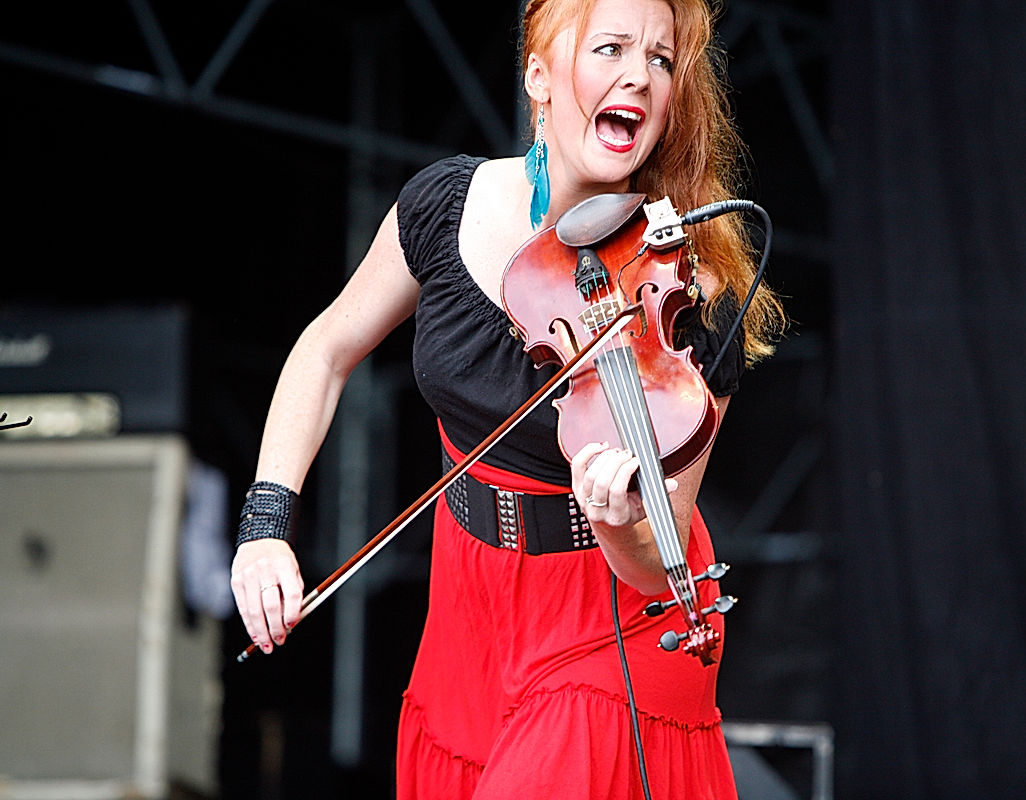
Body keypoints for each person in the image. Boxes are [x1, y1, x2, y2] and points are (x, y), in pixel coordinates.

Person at [229, 0, 786, 796]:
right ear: (540, 77)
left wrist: (613, 517)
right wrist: (265, 523)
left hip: (613, 617)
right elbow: (325, 349)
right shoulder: (444, 207)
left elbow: (658, 567)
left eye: (661, 60)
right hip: (471, 600)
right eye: (612, 48)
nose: (640, 74)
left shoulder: (692, 294)